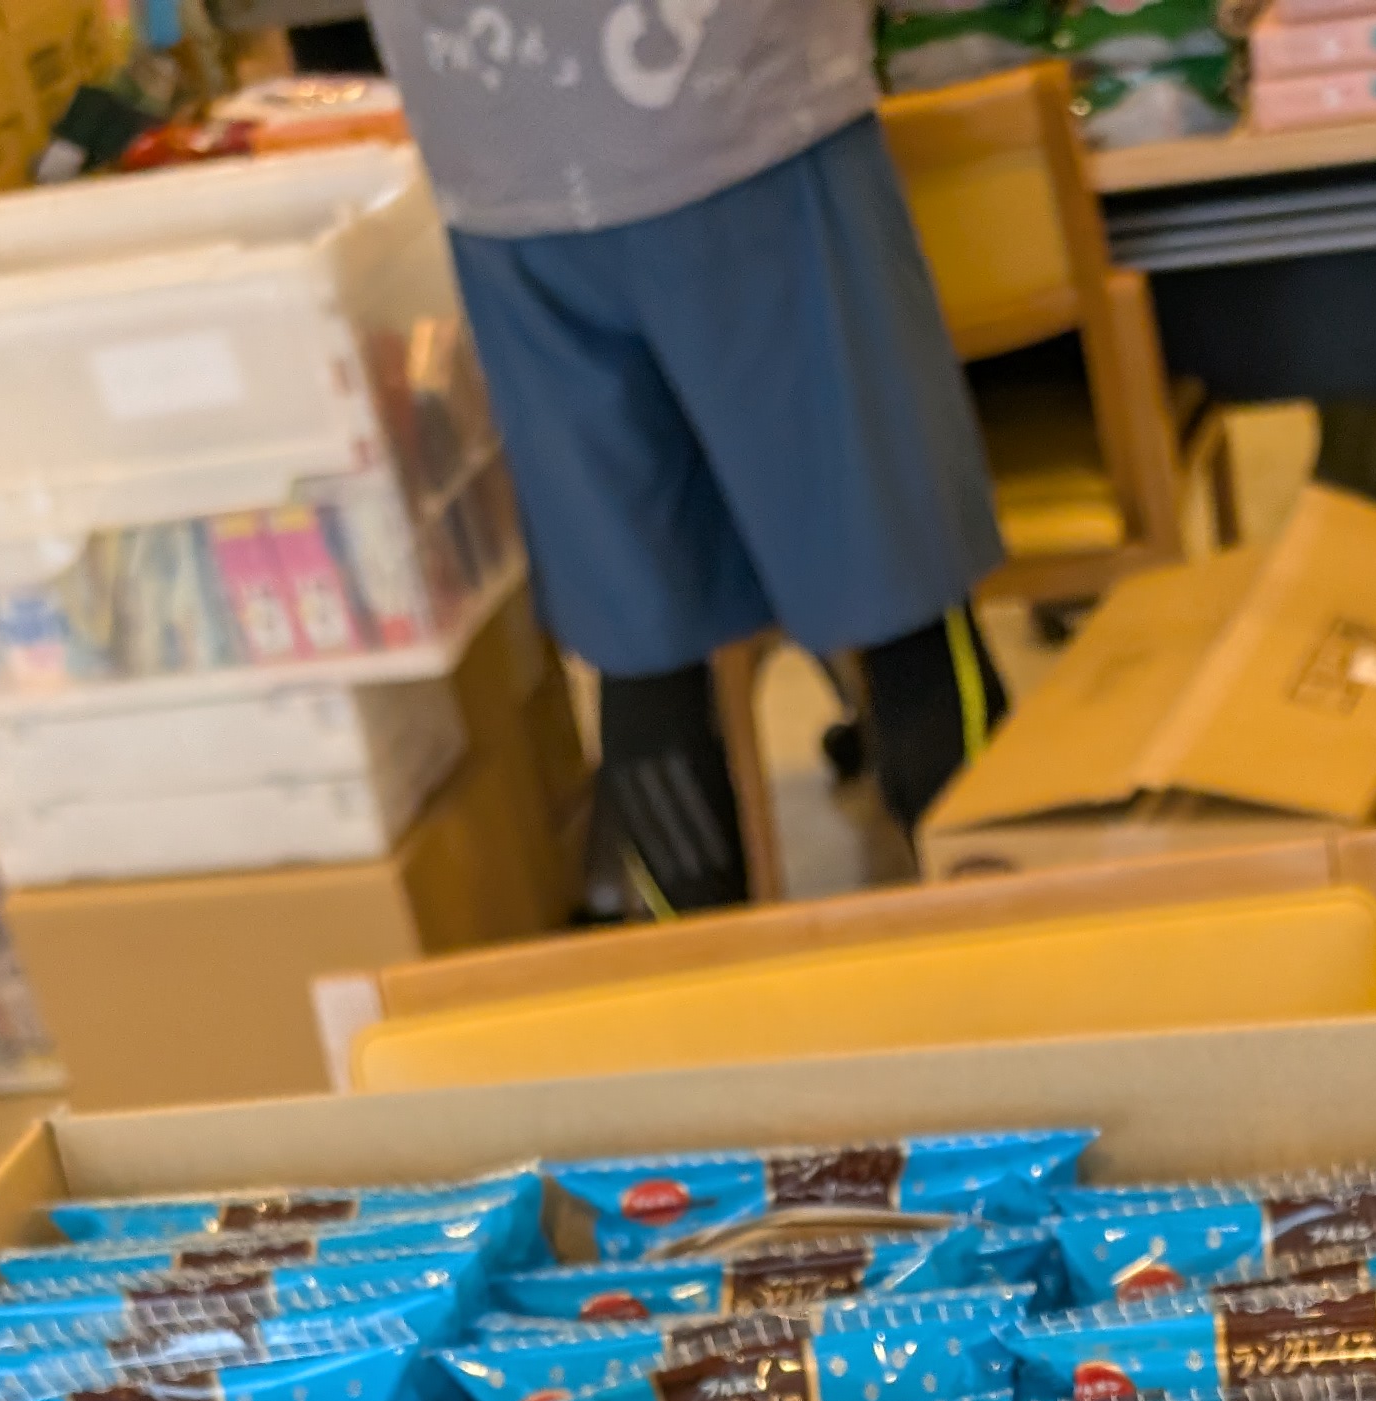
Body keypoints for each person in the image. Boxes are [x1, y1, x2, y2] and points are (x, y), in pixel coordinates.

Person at [360, 0, 1010, 912]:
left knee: (641, 632)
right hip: (739, 118)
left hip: (501, 149)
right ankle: (998, 920)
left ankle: (702, 968)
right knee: (897, 586)